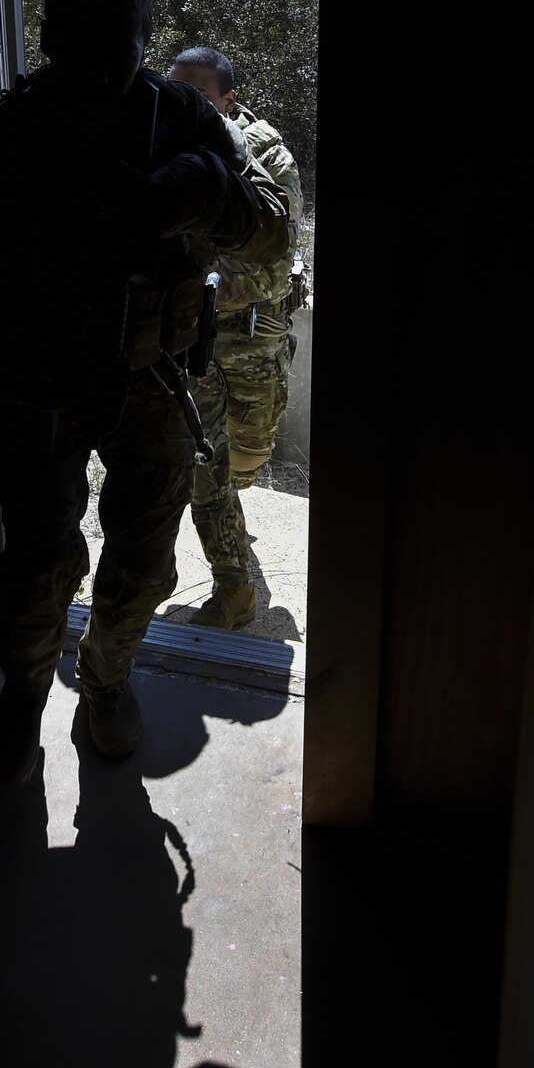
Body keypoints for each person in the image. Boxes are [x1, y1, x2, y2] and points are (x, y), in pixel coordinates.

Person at [0, 0, 291, 786]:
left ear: (143, 44)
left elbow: (271, 230)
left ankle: (107, 678)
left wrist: (201, 190)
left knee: (143, 556)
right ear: (51, 42)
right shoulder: (12, 134)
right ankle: (22, 686)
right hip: (38, 389)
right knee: (39, 561)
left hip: (154, 380)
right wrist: (29, 366)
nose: (98, 78)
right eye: (78, 54)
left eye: (117, 55)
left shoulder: (181, 120)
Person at [165, 47, 308, 630]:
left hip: (252, 340)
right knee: (207, 468)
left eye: (199, 96)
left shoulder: (266, 154)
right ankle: (234, 592)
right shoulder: (159, 148)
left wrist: (196, 284)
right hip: (186, 343)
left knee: (246, 461)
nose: (185, 108)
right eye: (177, 94)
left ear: (229, 100)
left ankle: (228, 516)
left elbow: (276, 266)